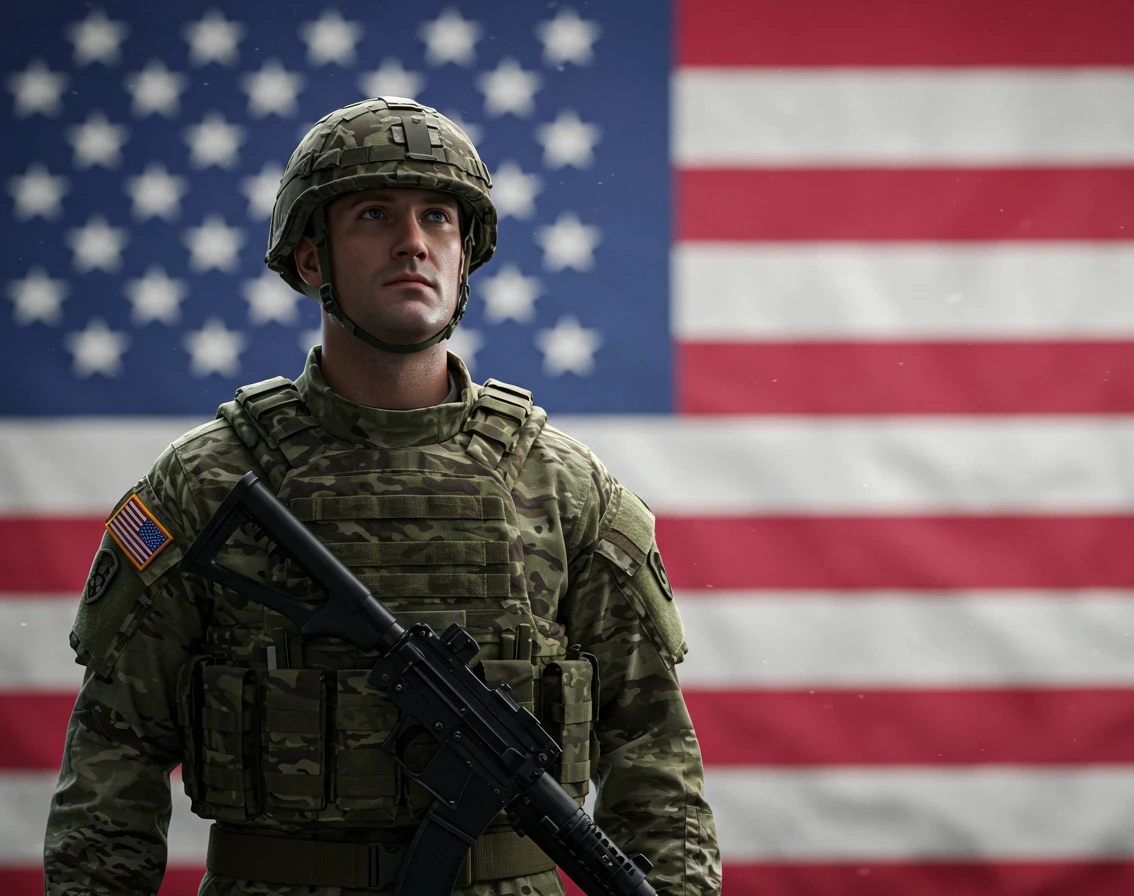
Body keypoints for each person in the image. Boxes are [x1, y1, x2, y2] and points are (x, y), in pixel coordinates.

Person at [44, 97, 722, 896]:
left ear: (465, 258)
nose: (413, 243)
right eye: (374, 214)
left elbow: (654, 759)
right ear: (309, 259)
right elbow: (113, 761)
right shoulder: (209, 484)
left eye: (439, 218)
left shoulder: (564, 489)